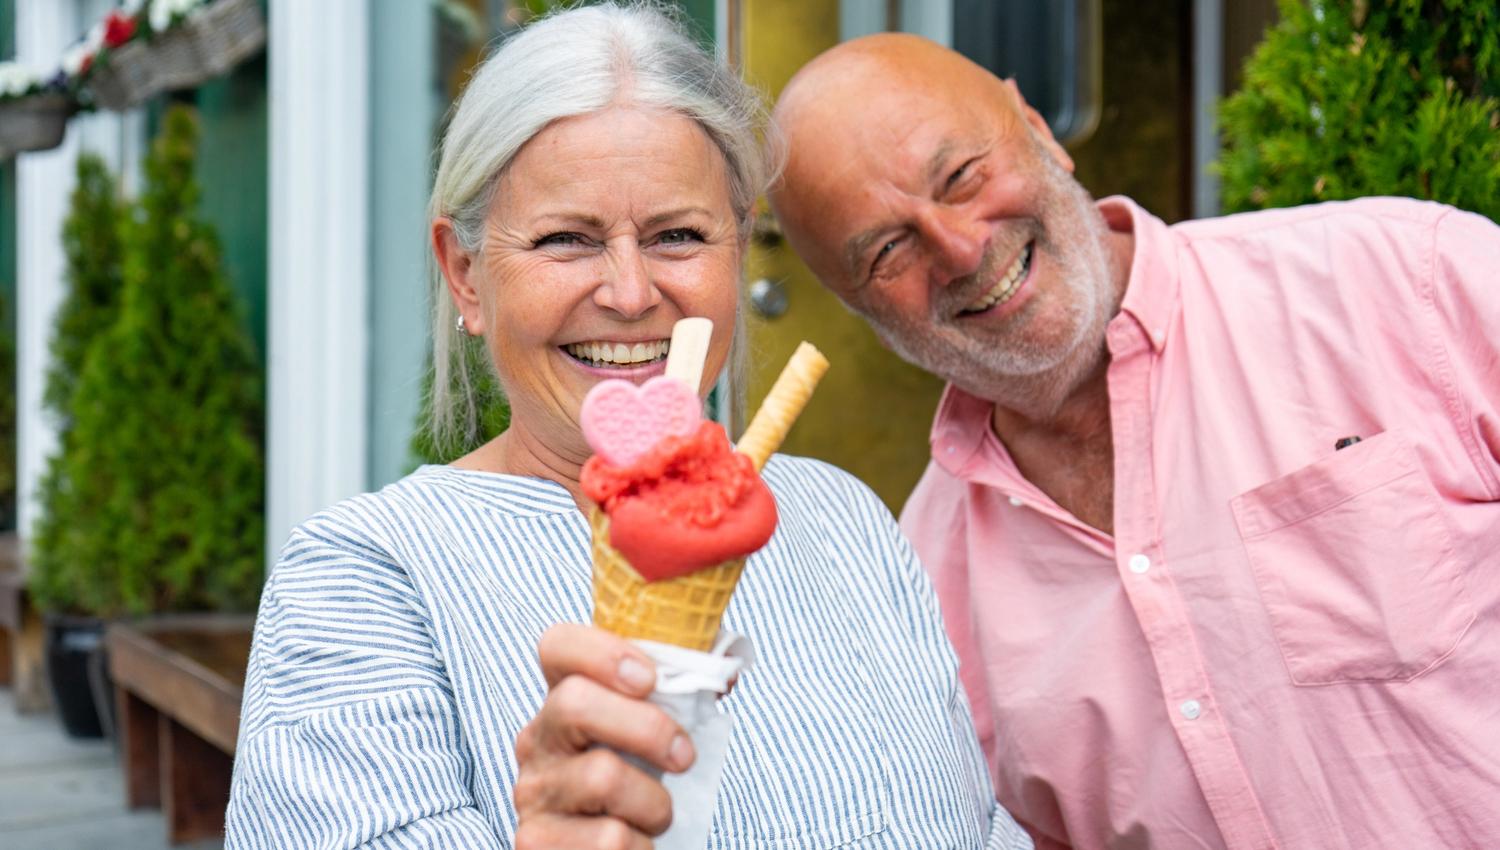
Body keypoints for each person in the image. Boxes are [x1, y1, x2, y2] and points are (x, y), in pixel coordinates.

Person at [225, 6, 1033, 849]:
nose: (630, 292)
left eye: (677, 235)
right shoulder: (365, 580)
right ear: (465, 275)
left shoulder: (844, 519)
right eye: (566, 238)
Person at [766, 32, 1500, 850]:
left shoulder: (1404, 280)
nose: (963, 247)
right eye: (888, 250)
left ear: (1038, 129)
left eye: (962, 176)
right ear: (856, 307)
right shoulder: (924, 585)